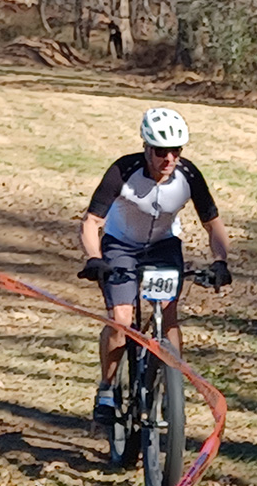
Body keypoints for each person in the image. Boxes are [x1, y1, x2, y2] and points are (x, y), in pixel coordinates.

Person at [77, 107, 232, 425]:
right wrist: (95, 259)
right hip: (121, 246)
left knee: (168, 315)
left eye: (176, 151)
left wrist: (221, 261)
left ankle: (171, 384)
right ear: (146, 147)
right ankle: (106, 388)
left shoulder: (188, 175)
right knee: (122, 318)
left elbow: (213, 225)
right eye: (161, 151)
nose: (169, 159)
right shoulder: (123, 170)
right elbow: (92, 221)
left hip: (163, 247)